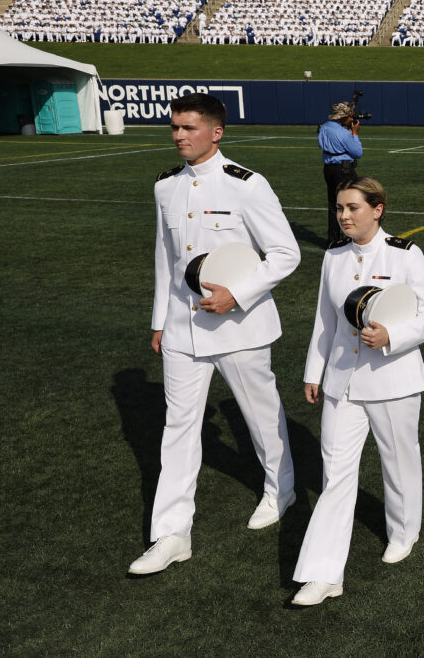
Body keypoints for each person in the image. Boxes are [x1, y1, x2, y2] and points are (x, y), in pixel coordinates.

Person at [129, 93, 300, 575]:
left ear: (216, 132)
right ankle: (171, 534)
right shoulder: (165, 186)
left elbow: (286, 254)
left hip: (240, 326)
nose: (179, 136)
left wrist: (237, 294)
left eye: (188, 128)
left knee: (261, 417)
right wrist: (160, 320)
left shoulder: (246, 184)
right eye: (174, 128)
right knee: (178, 429)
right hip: (183, 329)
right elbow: (166, 258)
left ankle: (280, 489)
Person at [292, 177, 424, 606]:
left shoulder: (406, 254)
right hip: (342, 381)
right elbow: (326, 321)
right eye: (339, 208)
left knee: (399, 461)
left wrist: (391, 335)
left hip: (394, 379)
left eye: (353, 208)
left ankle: (403, 531)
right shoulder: (333, 257)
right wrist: (314, 372)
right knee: (335, 472)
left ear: (377, 209)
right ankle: (323, 574)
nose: (343, 216)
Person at [319, 102, 364, 245]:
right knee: (351, 203)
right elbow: (358, 152)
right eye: (349, 116)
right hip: (343, 170)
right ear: (343, 117)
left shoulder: (324, 127)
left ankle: (333, 239)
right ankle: (350, 237)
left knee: (334, 204)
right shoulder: (344, 133)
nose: (351, 119)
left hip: (328, 169)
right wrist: (355, 134)